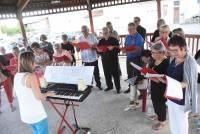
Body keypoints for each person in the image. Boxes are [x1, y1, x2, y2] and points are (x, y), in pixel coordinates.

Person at [159, 36, 199, 134]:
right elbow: (170, 76)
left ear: (184, 48)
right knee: (173, 121)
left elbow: (188, 83)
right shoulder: (174, 59)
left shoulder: (191, 63)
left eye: (175, 50)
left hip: (182, 99)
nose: (173, 53)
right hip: (172, 95)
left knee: (181, 124)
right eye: (171, 50)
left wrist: (174, 84)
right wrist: (160, 79)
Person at [14, 51, 53, 134]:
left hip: (25, 114)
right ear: (29, 62)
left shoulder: (16, 75)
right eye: (34, 61)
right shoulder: (31, 76)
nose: (35, 63)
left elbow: (15, 94)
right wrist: (47, 93)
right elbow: (39, 97)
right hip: (37, 115)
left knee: (36, 132)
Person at [148, 43, 169, 130]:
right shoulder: (154, 60)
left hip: (162, 88)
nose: (152, 55)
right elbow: (153, 74)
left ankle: (162, 122)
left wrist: (153, 77)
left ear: (161, 52)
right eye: (152, 52)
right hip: (154, 86)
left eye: (154, 53)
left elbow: (167, 81)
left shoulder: (166, 63)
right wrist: (147, 74)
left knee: (160, 104)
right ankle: (158, 116)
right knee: (154, 101)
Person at [78, 25, 102, 90]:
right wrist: (77, 47)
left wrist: (93, 47)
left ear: (88, 30)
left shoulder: (92, 36)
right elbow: (78, 50)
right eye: (82, 31)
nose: (84, 32)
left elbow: (97, 45)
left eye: (85, 30)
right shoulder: (80, 38)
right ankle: (89, 85)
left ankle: (98, 84)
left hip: (93, 58)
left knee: (96, 72)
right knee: (87, 73)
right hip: (85, 59)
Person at [97, 27, 121, 93]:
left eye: (106, 33)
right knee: (107, 74)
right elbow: (98, 50)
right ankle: (110, 86)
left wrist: (112, 48)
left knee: (115, 75)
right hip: (104, 60)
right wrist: (98, 50)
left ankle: (118, 88)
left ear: (109, 32)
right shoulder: (101, 41)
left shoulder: (114, 40)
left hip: (113, 60)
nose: (105, 34)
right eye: (104, 33)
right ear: (102, 34)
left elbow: (118, 50)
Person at [123, 22, 144, 94]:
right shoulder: (127, 37)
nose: (129, 31)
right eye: (128, 29)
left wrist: (128, 51)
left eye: (131, 29)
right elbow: (125, 46)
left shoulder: (139, 37)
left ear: (135, 29)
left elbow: (138, 49)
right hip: (129, 58)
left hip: (136, 58)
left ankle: (141, 92)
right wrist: (125, 50)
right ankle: (130, 88)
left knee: (138, 75)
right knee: (129, 74)